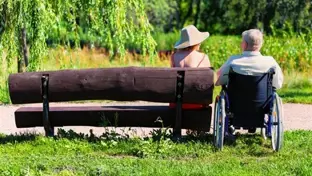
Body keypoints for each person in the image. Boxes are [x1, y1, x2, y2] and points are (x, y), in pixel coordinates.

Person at [215, 29, 283, 89]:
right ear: (261, 44)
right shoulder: (270, 62)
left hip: (236, 102)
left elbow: (219, 81)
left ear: (244, 44)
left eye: (242, 41)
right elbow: (278, 85)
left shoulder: (233, 61)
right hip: (263, 102)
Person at [169, 25, 211, 109]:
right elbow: (208, 82)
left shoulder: (174, 57)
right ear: (196, 42)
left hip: (176, 104)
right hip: (195, 103)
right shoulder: (203, 57)